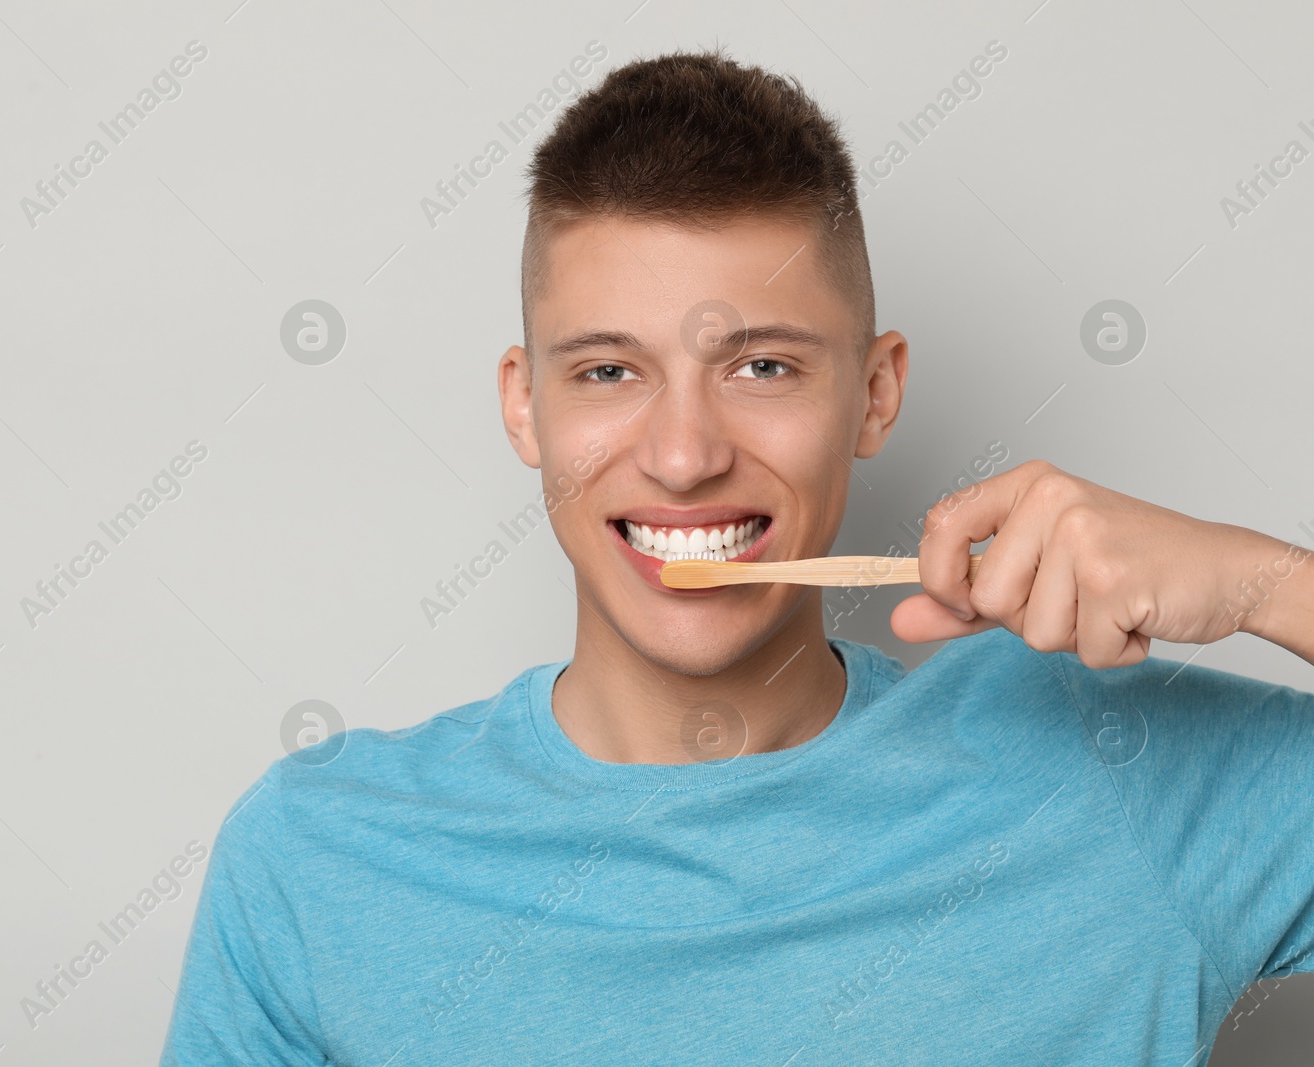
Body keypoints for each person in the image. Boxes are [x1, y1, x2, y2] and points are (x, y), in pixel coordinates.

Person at [160, 49, 1314, 1065]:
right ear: (525, 409)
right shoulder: (316, 858)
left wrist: (1266, 581)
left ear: (874, 393)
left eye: (761, 366)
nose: (680, 455)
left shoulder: (1117, 776)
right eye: (608, 369)